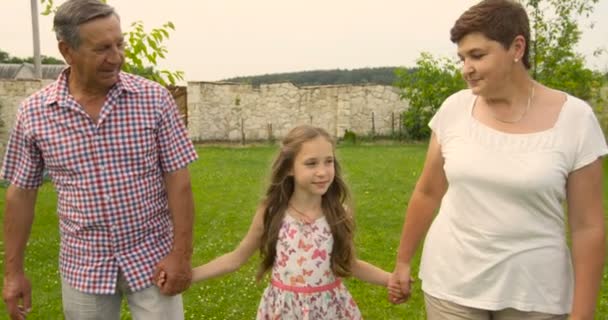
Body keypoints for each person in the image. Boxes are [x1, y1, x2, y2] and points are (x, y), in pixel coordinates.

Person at [389, 0, 607, 319]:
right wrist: (403, 260)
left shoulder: (575, 119)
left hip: (536, 294)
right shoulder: (454, 110)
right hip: (452, 287)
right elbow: (428, 191)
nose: (467, 68)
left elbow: (588, 226)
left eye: (478, 55)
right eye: (462, 58)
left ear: (517, 47)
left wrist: (583, 314)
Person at [1, 0, 198, 319]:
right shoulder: (34, 114)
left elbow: (179, 181)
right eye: (102, 48)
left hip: (152, 258)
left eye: (120, 44)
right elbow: (20, 194)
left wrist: (181, 254)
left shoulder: (154, 99)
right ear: (67, 51)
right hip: (84, 266)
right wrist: (13, 273)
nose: (116, 57)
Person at [158, 125, 402, 319]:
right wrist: (190, 275)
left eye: (328, 161)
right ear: (289, 169)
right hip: (282, 311)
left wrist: (390, 279)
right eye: (311, 163)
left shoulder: (340, 213)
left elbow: (351, 264)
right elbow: (236, 258)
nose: (323, 171)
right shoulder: (271, 212)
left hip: (329, 310)